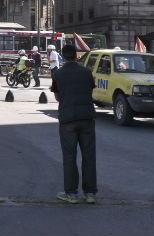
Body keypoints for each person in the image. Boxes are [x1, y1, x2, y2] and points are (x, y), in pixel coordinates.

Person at [51, 44, 97, 204]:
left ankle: (71, 194)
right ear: (77, 56)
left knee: (69, 156)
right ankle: (90, 193)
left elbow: (57, 96)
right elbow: (90, 91)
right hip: (86, 118)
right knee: (89, 156)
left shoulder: (58, 74)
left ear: (63, 56)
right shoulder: (87, 72)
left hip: (68, 119)